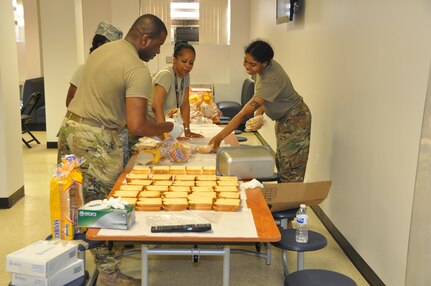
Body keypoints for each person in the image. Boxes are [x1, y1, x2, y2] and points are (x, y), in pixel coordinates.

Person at [58, 14, 184, 203]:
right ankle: (89, 232)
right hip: (95, 140)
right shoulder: (137, 68)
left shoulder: (102, 51)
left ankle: (75, 232)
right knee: (100, 206)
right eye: (158, 45)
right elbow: (137, 126)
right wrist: (168, 127)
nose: (158, 51)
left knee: (70, 198)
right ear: (144, 39)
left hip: (69, 130)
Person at [209, 40, 311, 182]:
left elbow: (243, 113)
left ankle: (289, 202)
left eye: (252, 64)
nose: (247, 66)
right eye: (245, 61)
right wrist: (258, 115)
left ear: (265, 63)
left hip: (296, 120)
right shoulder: (259, 70)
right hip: (284, 119)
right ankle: (282, 199)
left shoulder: (272, 78)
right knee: (282, 162)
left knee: (291, 169)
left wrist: (219, 137)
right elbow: (262, 98)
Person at [148, 40, 204, 138]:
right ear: (174, 60)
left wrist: (187, 130)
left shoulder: (185, 76)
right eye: (184, 61)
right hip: (145, 123)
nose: (187, 65)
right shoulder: (167, 75)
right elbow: (156, 106)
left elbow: (185, 103)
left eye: (191, 63)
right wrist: (163, 133)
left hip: (155, 124)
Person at [66, 21, 123, 107]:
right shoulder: (84, 69)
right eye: (110, 46)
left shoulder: (117, 72)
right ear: (99, 45)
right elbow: (69, 101)